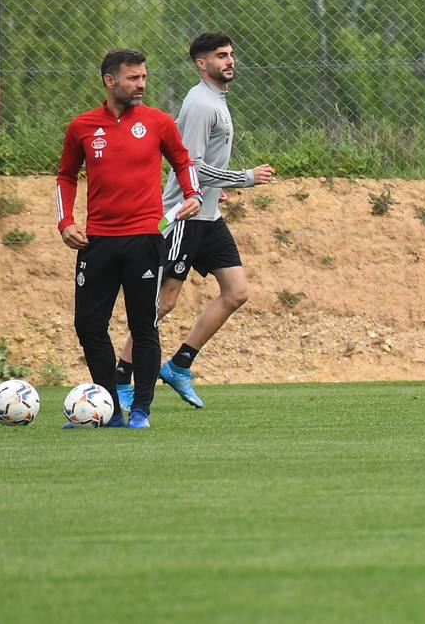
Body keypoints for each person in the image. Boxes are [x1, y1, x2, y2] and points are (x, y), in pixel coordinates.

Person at [116, 33, 276, 410]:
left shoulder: (216, 100)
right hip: (184, 217)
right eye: (221, 56)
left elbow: (203, 168)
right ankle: (121, 377)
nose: (230, 60)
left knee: (236, 291)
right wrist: (244, 178)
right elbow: (192, 166)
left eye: (232, 54)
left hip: (208, 213)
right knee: (162, 303)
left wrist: (214, 189)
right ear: (201, 64)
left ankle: (179, 365)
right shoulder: (202, 103)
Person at [56, 49, 201, 429]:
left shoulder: (158, 122)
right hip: (97, 242)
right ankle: (108, 411)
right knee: (88, 325)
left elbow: (183, 162)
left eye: (143, 77)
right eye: (133, 78)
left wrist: (193, 195)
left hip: (145, 240)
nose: (141, 85)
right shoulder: (82, 126)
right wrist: (65, 221)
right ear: (110, 81)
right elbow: (66, 176)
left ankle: (141, 411)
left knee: (144, 327)